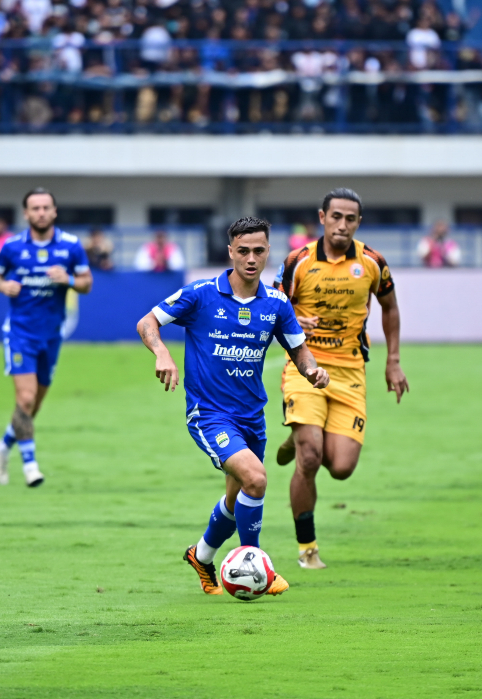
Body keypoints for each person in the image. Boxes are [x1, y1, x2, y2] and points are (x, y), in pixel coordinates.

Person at [135, 216, 328, 596]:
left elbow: (299, 351)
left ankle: (201, 556)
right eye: (243, 251)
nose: (251, 258)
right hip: (209, 415)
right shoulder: (201, 294)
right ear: (230, 252)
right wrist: (162, 354)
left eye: (258, 250)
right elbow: (147, 323)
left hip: (252, 415)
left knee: (235, 496)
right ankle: (255, 565)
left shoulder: (276, 302)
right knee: (255, 479)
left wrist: (313, 371)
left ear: (268, 251)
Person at [272, 188, 409, 569]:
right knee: (311, 459)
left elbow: (390, 307)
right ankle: (307, 548)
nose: (342, 225)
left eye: (350, 219)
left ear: (358, 223)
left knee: (342, 468)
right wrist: (293, 320)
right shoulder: (297, 261)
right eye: (336, 217)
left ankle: (296, 433)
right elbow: (272, 307)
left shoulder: (371, 262)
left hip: (350, 372)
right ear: (322, 217)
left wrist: (393, 361)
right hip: (305, 366)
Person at [0, 189, 93, 487]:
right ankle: (30, 465)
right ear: (26, 214)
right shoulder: (12, 247)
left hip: (52, 335)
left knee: (33, 405)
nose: (41, 213)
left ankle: (3, 445)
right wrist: (2, 286)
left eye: (46, 207)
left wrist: (69, 280)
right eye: (35, 208)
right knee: (25, 397)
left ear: (55, 211)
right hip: (20, 332)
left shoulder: (71, 246)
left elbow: (87, 283)